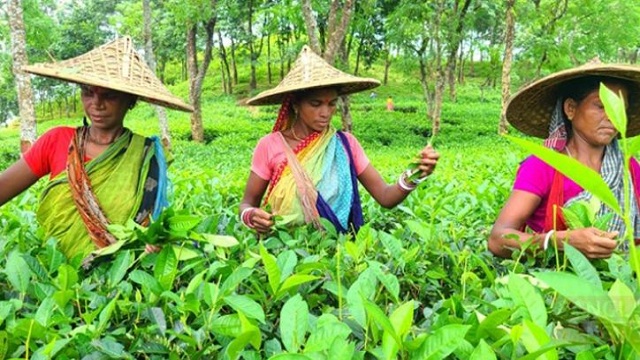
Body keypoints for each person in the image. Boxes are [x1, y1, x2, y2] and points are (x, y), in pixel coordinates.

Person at [0, 37, 193, 261]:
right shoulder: (56, 140)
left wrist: (154, 243)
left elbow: (151, 225)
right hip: (56, 278)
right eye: (88, 92)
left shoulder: (145, 154)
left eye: (109, 95)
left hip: (120, 284)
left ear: (130, 100)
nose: (96, 104)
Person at [239, 45, 439, 235]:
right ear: (295, 105)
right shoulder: (270, 145)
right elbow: (247, 203)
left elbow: (386, 197)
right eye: (315, 104)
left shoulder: (345, 145)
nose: (325, 113)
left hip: (336, 253)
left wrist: (417, 172)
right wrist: (251, 216)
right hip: (285, 250)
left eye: (332, 103)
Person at [489, 61, 640, 259]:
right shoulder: (543, 166)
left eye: (619, 108)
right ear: (570, 109)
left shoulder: (629, 167)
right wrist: (561, 241)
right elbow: (498, 239)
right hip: (556, 283)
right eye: (600, 106)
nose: (612, 116)